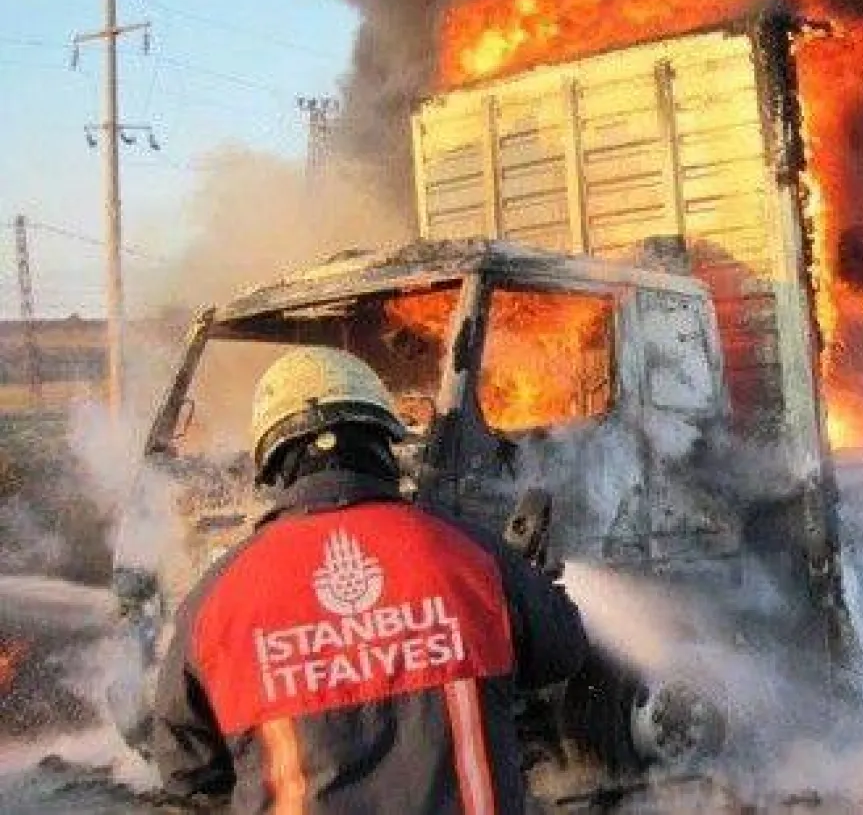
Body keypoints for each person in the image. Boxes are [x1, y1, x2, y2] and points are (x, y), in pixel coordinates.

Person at [152, 346, 588, 813]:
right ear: (383, 445)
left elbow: (188, 771)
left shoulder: (218, 597)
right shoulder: (470, 555)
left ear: (274, 466)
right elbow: (563, 653)